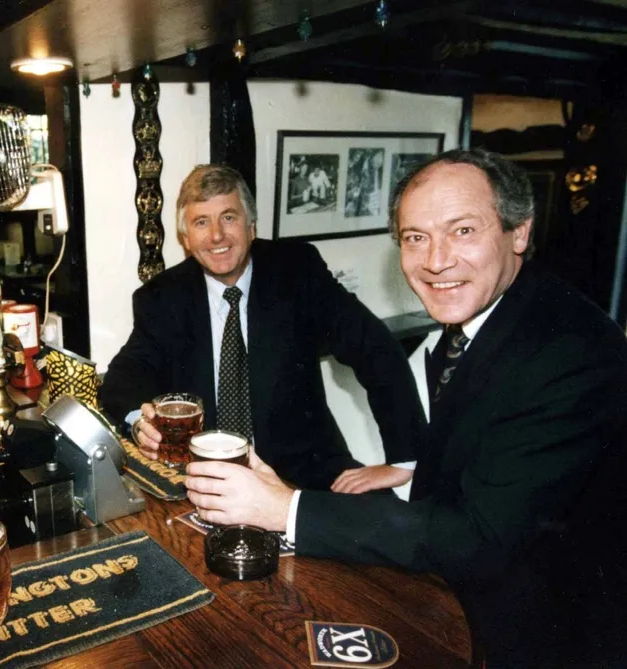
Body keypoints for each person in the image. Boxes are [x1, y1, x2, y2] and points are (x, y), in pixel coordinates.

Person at [184, 149, 627, 667]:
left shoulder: (571, 353)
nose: (435, 260)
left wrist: (287, 509)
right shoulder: (477, 322)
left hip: (548, 635)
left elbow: (481, 540)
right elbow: (494, 461)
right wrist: (412, 471)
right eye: (415, 237)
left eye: (462, 231)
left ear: (519, 232)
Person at [100, 164, 422, 493]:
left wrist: (403, 460)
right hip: (206, 475)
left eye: (228, 217)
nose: (216, 235)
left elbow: (374, 347)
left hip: (305, 470)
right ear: (186, 238)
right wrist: (139, 422)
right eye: (201, 222)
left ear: (251, 226)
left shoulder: (297, 270)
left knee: (389, 525)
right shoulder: (161, 297)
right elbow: (124, 375)